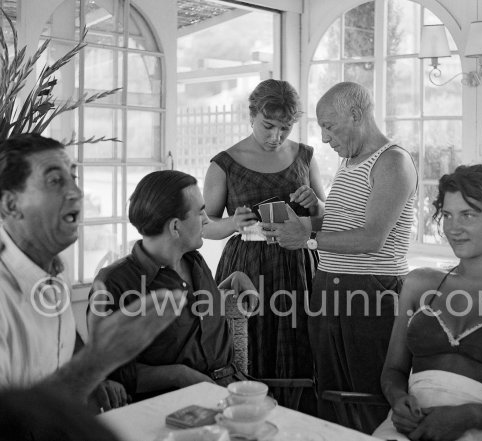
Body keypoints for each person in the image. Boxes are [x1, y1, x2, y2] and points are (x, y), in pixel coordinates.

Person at [264, 81, 418, 431]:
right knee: (331, 390)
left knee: (367, 393)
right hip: (331, 285)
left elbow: (372, 238)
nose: (323, 138)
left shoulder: (392, 162)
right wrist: (311, 214)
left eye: (329, 126)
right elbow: (344, 223)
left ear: (356, 115)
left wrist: (308, 235)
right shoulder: (351, 161)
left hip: (371, 291)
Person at [0, 134, 184, 409]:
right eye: (54, 181)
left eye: (73, 177)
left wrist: (96, 379)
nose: (76, 191)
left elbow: (63, 338)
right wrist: (98, 361)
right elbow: (13, 421)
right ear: (11, 205)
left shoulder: (53, 270)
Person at [373, 164, 482, 441]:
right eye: (447, 215)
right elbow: (393, 371)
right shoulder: (420, 284)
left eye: (468, 215)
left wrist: (473, 415)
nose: (454, 228)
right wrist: (398, 400)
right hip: (407, 430)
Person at [202, 79, 326, 398]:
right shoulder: (223, 164)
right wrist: (230, 222)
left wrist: (314, 204)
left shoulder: (305, 156)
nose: (276, 136)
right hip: (247, 267)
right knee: (248, 341)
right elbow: (204, 226)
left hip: (299, 264)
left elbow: (323, 220)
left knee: (300, 341)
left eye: (285, 128)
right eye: (268, 125)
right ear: (252, 114)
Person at [89, 170, 256, 401]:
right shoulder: (115, 283)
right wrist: (179, 376)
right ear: (175, 226)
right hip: (174, 406)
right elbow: (105, 370)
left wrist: (232, 279)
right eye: (200, 213)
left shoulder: (194, 260)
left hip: (232, 391)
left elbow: (193, 317)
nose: (207, 219)